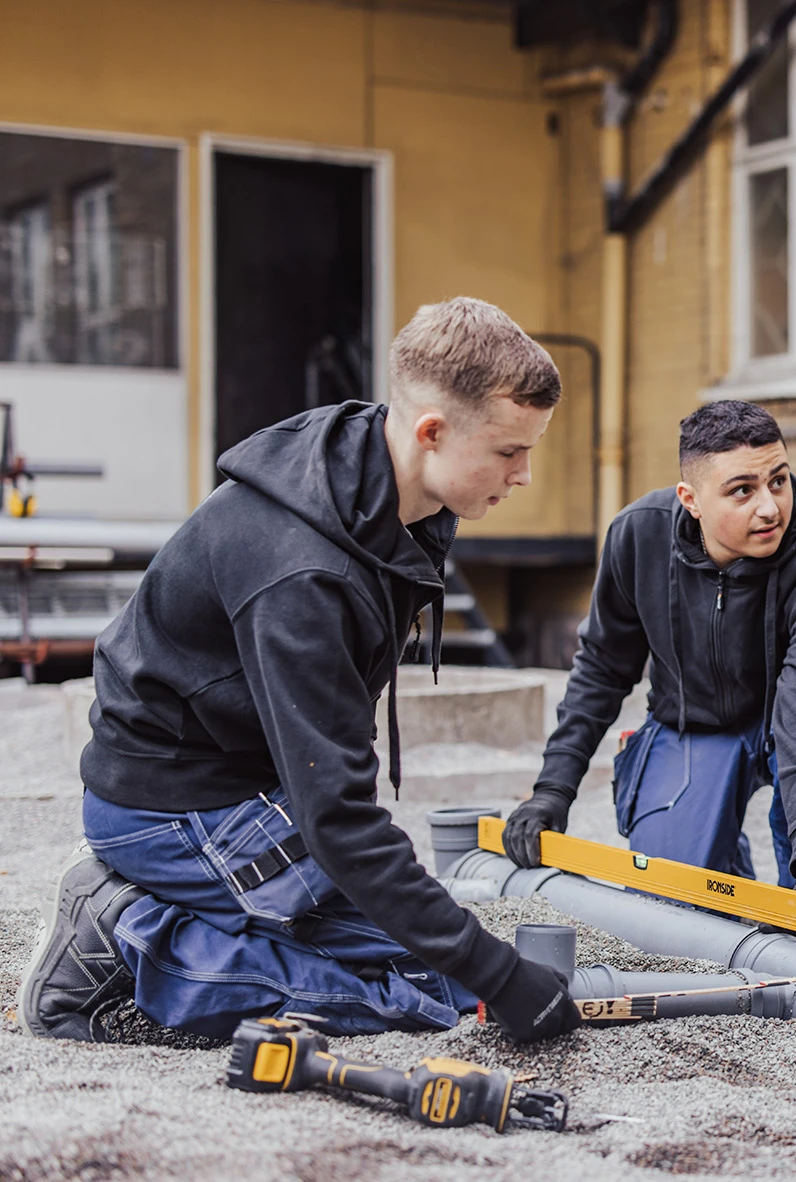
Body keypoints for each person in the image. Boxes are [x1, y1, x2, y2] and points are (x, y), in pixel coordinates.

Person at [18, 298, 583, 1045]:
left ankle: (199, 915)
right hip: (170, 806)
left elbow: (337, 794)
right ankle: (126, 932)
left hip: (254, 786)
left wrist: (476, 966)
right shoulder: (301, 574)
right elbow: (341, 820)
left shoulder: (387, 489)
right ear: (431, 431)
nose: (525, 475)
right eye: (510, 452)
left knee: (438, 977)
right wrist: (503, 976)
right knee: (417, 1007)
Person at [501, 400, 796, 907]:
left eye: (778, 481)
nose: (770, 507)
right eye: (742, 490)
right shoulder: (637, 536)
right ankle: (722, 864)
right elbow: (602, 669)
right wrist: (552, 792)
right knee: (672, 904)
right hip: (696, 723)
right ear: (690, 499)